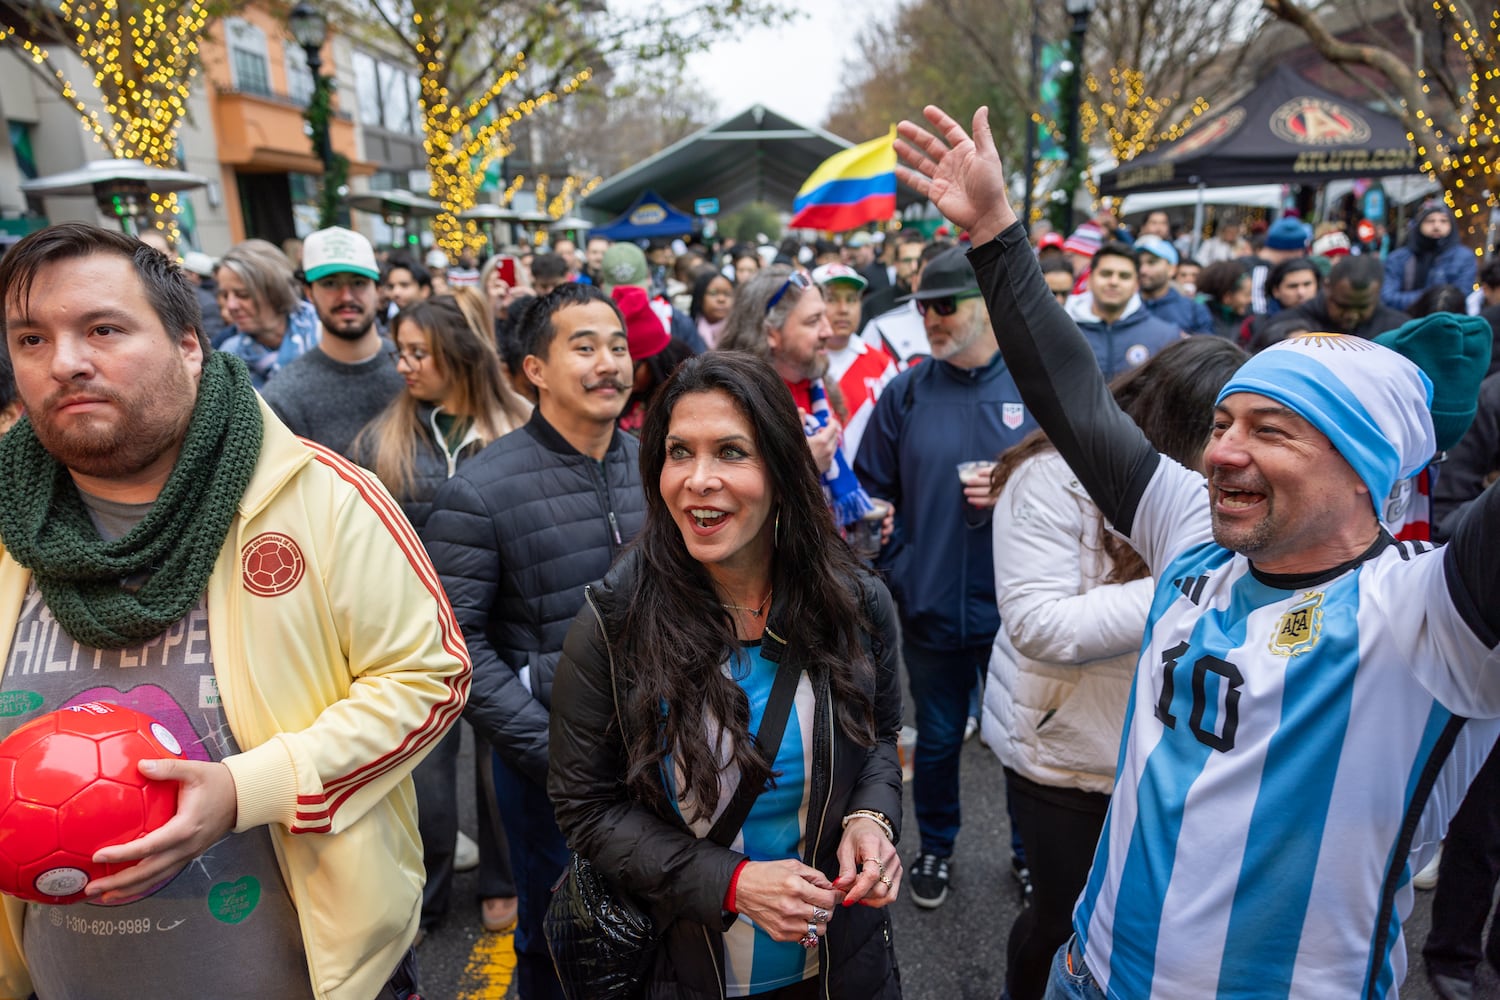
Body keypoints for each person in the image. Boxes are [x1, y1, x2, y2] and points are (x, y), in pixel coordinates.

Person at [895, 101, 1500, 1000]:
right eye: (1220, 424)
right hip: (1087, 977)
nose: (1221, 452)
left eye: (1272, 429)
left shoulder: (1433, 615)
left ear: (1366, 465)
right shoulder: (1194, 534)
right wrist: (996, 236)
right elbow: (1077, 401)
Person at [0, 221, 468, 999]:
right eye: (31, 339)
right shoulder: (8, 524)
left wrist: (248, 791)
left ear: (190, 343)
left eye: (103, 329)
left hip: (308, 978)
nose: (67, 362)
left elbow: (431, 678)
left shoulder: (322, 499)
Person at [548, 351, 904, 999]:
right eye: (678, 452)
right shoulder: (614, 617)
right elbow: (586, 806)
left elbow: (878, 738)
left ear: (781, 470)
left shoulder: (854, 600)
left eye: (731, 452)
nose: (698, 479)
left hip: (841, 966)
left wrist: (873, 820)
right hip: (679, 970)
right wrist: (733, 884)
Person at [983, 336, 1247, 1000]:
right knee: (1061, 917)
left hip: (1162, 747)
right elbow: (1039, 624)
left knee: (1139, 921)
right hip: (1065, 746)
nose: (1232, 451)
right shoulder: (1051, 475)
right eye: (1219, 429)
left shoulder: (1219, 491)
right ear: (1177, 422)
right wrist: (1188, 580)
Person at [423, 283, 646, 1000]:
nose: (608, 363)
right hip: (548, 768)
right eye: (584, 347)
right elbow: (454, 646)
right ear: (535, 370)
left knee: (654, 924)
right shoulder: (481, 490)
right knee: (559, 935)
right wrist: (550, 749)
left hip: (662, 753)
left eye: (616, 346)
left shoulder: (657, 466)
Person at [853, 245, 1038, 910]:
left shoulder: (1032, 386)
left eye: (944, 305)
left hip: (1020, 611)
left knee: (1019, 739)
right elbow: (867, 491)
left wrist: (1015, 484)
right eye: (922, 306)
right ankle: (935, 846)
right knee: (934, 740)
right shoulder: (906, 391)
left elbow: (1080, 490)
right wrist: (898, 566)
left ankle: (1028, 856)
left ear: (984, 304)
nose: (930, 318)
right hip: (930, 605)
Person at [349, 296, 532, 941]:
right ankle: (424, 890)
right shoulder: (383, 437)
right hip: (415, 636)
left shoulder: (518, 425)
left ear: (457, 354)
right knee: (424, 774)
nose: (403, 365)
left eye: (417, 352)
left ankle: (503, 880)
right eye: (400, 351)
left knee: (499, 761)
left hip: (503, 627)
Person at [261, 227, 405, 457]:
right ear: (309, 292)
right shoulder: (283, 398)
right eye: (330, 283)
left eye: (358, 283)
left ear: (378, 290)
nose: (346, 296)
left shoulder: (412, 372)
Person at [812, 262, 897, 462]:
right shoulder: (796, 364)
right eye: (831, 299)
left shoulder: (883, 366)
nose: (843, 310)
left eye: (851, 300)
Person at [1063, 243, 1182, 378]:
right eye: (1106, 274)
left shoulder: (1165, 337)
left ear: (1136, 285)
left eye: (1124, 276)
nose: (1114, 282)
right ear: (1089, 280)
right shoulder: (1062, 329)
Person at [214, 239, 321, 387]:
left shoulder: (323, 337)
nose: (231, 306)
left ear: (275, 291)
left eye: (243, 294)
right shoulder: (228, 356)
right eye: (225, 296)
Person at [1383, 204, 1479, 312]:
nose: (1436, 226)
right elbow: (1388, 297)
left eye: (1443, 221)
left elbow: (1461, 296)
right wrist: (1430, 298)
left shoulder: (1464, 258)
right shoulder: (1399, 258)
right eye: (1430, 221)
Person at [1133, 235, 1212, 336]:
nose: (1142, 270)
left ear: (1172, 269)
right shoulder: (1122, 306)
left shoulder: (1194, 310)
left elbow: (1208, 348)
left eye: (1152, 262)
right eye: (1138, 263)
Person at [1195, 259, 1254, 340]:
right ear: (1227, 297)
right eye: (1246, 295)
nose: (1251, 300)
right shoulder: (1203, 324)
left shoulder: (1249, 321)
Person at [689, 267, 735, 348]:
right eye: (713, 293)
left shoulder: (741, 332)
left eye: (727, 294)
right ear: (699, 298)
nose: (721, 299)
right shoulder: (687, 329)